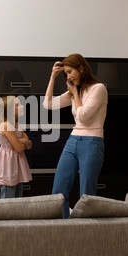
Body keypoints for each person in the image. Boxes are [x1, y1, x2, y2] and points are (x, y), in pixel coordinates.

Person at [43, 53, 108, 218]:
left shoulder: (98, 88)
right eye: (65, 74)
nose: (68, 77)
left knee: (86, 194)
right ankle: (64, 228)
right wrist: (52, 77)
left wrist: (75, 93)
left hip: (92, 142)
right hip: (73, 141)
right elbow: (48, 104)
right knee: (58, 192)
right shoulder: (74, 91)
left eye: (70, 72)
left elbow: (83, 116)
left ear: (81, 68)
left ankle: (84, 230)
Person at [0, 96, 32, 198]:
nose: (22, 106)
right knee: (8, 204)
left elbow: (29, 144)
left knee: (17, 202)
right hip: (8, 166)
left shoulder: (16, 124)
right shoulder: (6, 125)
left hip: (17, 165)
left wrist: (23, 141)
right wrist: (24, 142)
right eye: (18, 105)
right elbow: (19, 148)